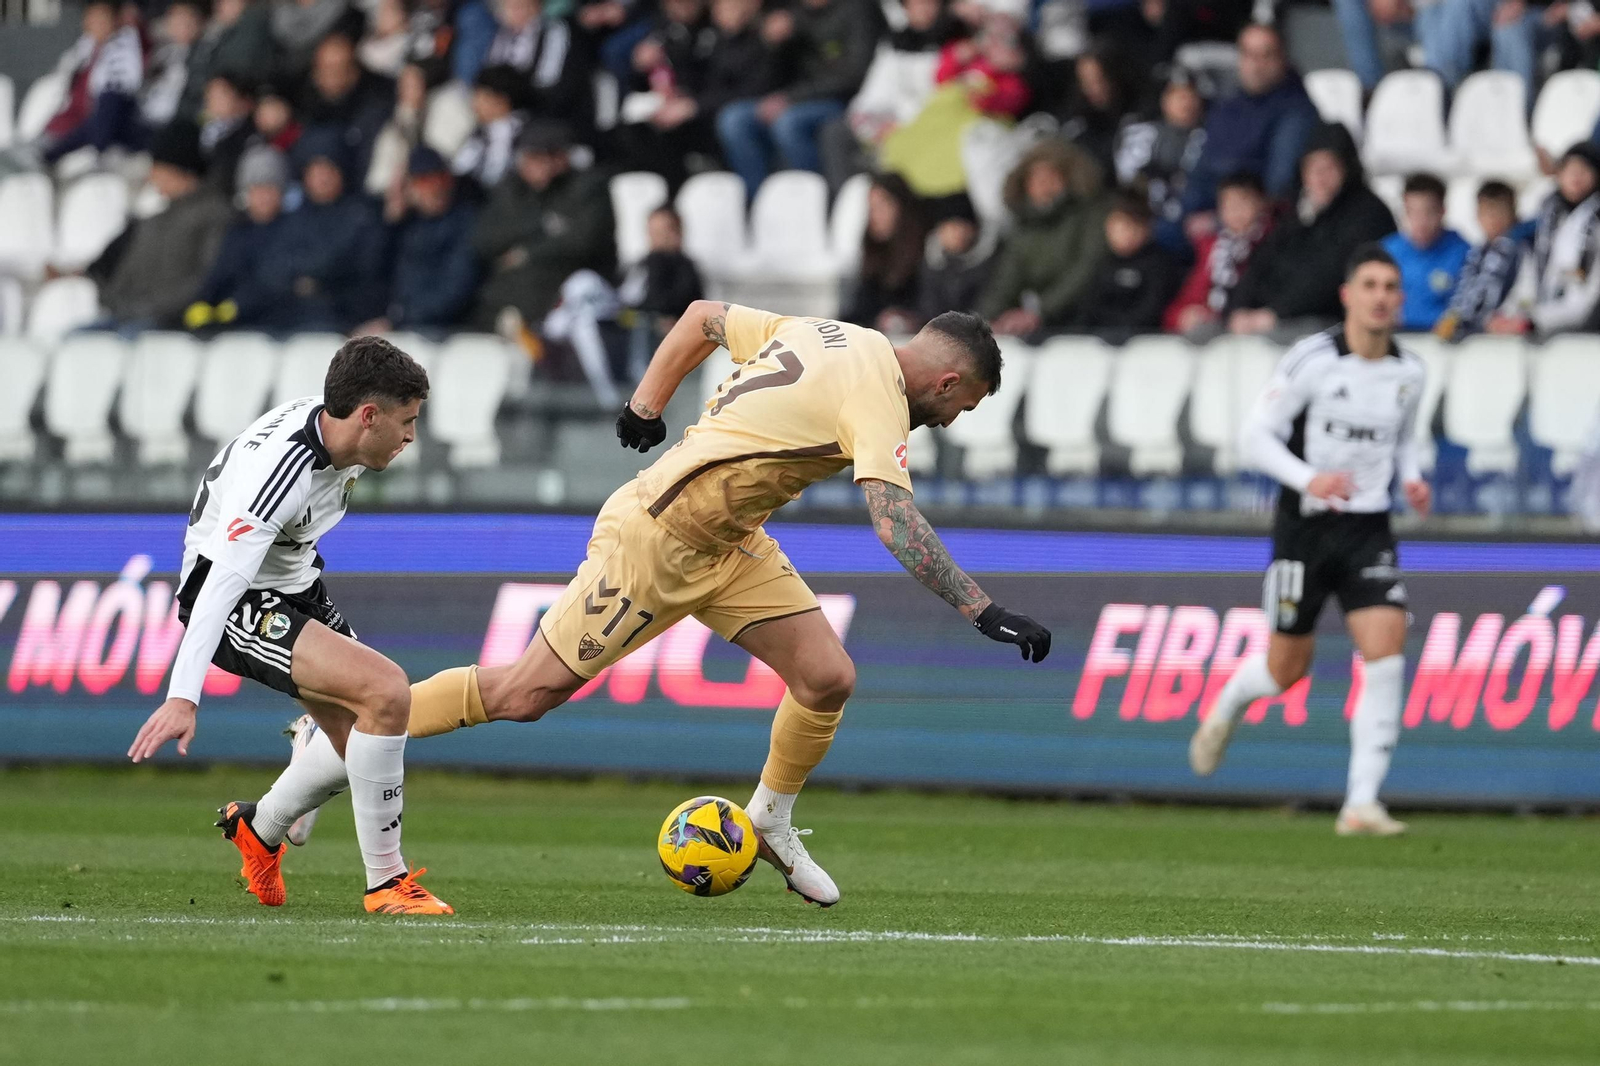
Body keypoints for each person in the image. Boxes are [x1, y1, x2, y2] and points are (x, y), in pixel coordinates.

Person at [259, 304, 1053, 907]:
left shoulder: (829, 331)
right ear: (948, 382)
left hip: (731, 541)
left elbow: (704, 318)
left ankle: (770, 820)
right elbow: (892, 517)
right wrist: (980, 610)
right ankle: (339, 732)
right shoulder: (879, 396)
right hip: (657, 540)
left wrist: (648, 403)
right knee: (522, 695)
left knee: (826, 676)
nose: (951, 419)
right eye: (963, 405)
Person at [126, 337, 452, 916]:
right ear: (368, 415)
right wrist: (183, 696)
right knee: (386, 692)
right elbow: (219, 584)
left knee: (367, 729)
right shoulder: (280, 471)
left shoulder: (339, 432)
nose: (410, 437)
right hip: (236, 600)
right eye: (407, 422)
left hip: (295, 585)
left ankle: (261, 828)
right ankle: (387, 885)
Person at [1189, 245, 1429, 838]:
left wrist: (1416, 477)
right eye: (1369, 284)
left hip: (1368, 527)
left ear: (1400, 300)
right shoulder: (1312, 360)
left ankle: (1362, 803)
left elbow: (1407, 440)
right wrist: (1308, 478)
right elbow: (1255, 437)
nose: (1380, 296)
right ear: (1348, 295)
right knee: (1286, 670)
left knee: (1387, 646)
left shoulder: (1411, 371)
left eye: (1390, 287)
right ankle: (1229, 703)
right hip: (1305, 526)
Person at [1226, 122, 1396, 340]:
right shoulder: (1296, 212)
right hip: (1276, 321)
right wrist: (1240, 309)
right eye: (1312, 168)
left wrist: (1276, 314)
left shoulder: (1368, 214)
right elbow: (1261, 263)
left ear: (1346, 168)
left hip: (1331, 325)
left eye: (1329, 168)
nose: (1319, 177)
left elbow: (1333, 276)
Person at [715, 0, 879, 197]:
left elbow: (854, 74)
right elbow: (758, 78)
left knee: (788, 123)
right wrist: (768, 43)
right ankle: (757, 201)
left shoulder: (857, 8)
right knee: (734, 118)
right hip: (791, 97)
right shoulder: (789, 12)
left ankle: (811, 199)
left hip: (842, 99)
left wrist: (792, 97)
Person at [88, 121, 234, 331]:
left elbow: (204, 281)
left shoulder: (215, 216)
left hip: (173, 324)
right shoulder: (153, 221)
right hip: (131, 317)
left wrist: (146, 309)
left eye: (157, 169)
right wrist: (117, 303)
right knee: (77, 341)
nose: (152, 177)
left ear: (179, 169)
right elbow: (125, 276)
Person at [1180, 23, 1318, 226]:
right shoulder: (1227, 105)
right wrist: (1188, 215)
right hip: (1204, 215)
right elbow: (1201, 169)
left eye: (1266, 55)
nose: (1257, 65)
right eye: (1249, 55)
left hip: (1252, 225)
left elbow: (1277, 188)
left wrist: (1216, 220)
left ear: (1282, 59)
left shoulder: (1297, 111)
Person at [977, 138, 1108, 335]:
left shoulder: (1088, 216)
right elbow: (1006, 280)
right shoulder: (1022, 227)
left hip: (1085, 320)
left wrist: (1040, 311)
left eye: (1052, 176)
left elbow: (1087, 267)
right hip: (1040, 322)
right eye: (1036, 178)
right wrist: (984, 321)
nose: (1043, 184)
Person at [361, 146, 481, 335]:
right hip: (400, 326)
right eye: (424, 182)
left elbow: (454, 291)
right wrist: (390, 223)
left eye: (440, 179)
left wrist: (397, 321)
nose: (435, 189)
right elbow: (370, 273)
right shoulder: (403, 225)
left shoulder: (465, 223)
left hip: (442, 332)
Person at [1492, 144, 1600, 337]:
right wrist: (1512, 315)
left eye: (1584, 169)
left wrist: (1535, 320)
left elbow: (1588, 298)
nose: (1576, 177)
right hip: (1542, 323)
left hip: (1584, 332)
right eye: (1569, 169)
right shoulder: (1545, 220)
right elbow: (1529, 278)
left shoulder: (1595, 224)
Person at [37, 0, 145, 163]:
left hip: (88, 137)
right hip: (58, 128)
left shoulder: (125, 53)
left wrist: (54, 153)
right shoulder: (80, 51)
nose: (97, 24)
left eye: (103, 18)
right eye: (92, 18)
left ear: (116, 20)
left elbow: (106, 116)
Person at [1164, 171, 1270, 335]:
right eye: (1228, 205)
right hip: (1211, 333)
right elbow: (1185, 301)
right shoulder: (1211, 248)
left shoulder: (1272, 242)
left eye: (1243, 203)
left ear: (1261, 203)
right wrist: (1183, 316)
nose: (1236, 212)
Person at [1072, 189, 1184, 341]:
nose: (1123, 233)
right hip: (1099, 343)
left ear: (1146, 228)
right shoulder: (1102, 264)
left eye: (1129, 226)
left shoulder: (1159, 264)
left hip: (1146, 345)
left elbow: (1150, 312)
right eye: (1116, 226)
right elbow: (1088, 309)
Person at [619, 205, 704, 376]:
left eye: (663, 232)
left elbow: (686, 303)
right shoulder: (641, 265)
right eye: (653, 232)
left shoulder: (685, 267)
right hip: (636, 334)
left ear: (678, 233)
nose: (657, 238)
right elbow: (626, 300)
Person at [1381, 173, 1471, 333]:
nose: (1420, 222)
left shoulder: (1464, 253)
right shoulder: (1387, 252)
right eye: (1412, 212)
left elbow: (1469, 308)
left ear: (1443, 211)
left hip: (1446, 344)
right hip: (1395, 340)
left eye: (1428, 212)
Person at [1435, 180, 1523, 340]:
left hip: (1502, 334)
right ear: (1477, 215)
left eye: (1499, 212)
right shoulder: (1476, 254)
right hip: (1474, 334)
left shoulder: (1519, 251)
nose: (1493, 219)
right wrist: (1453, 318)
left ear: (1513, 213)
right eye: (1487, 212)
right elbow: (1464, 291)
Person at [843, 173, 929, 329]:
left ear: (902, 205)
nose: (875, 216)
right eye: (871, 208)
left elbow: (937, 309)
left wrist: (908, 318)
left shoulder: (929, 252)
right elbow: (858, 312)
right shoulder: (874, 256)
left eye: (882, 205)